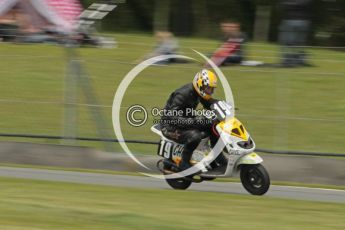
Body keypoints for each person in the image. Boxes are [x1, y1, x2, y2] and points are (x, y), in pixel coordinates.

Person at [160, 69, 220, 170]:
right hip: (170, 125)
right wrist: (194, 122)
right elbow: (172, 116)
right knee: (195, 136)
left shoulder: (199, 92)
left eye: (212, 89)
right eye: (208, 88)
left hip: (185, 121)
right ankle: (184, 162)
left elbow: (209, 103)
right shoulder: (183, 94)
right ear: (200, 85)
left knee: (213, 125)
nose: (210, 91)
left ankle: (216, 157)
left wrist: (222, 106)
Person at [278, 0, 312, 67]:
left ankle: (290, 60)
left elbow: (283, 4)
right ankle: (296, 60)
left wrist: (290, 4)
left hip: (292, 21)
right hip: (301, 21)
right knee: (297, 42)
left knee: (288, 41)